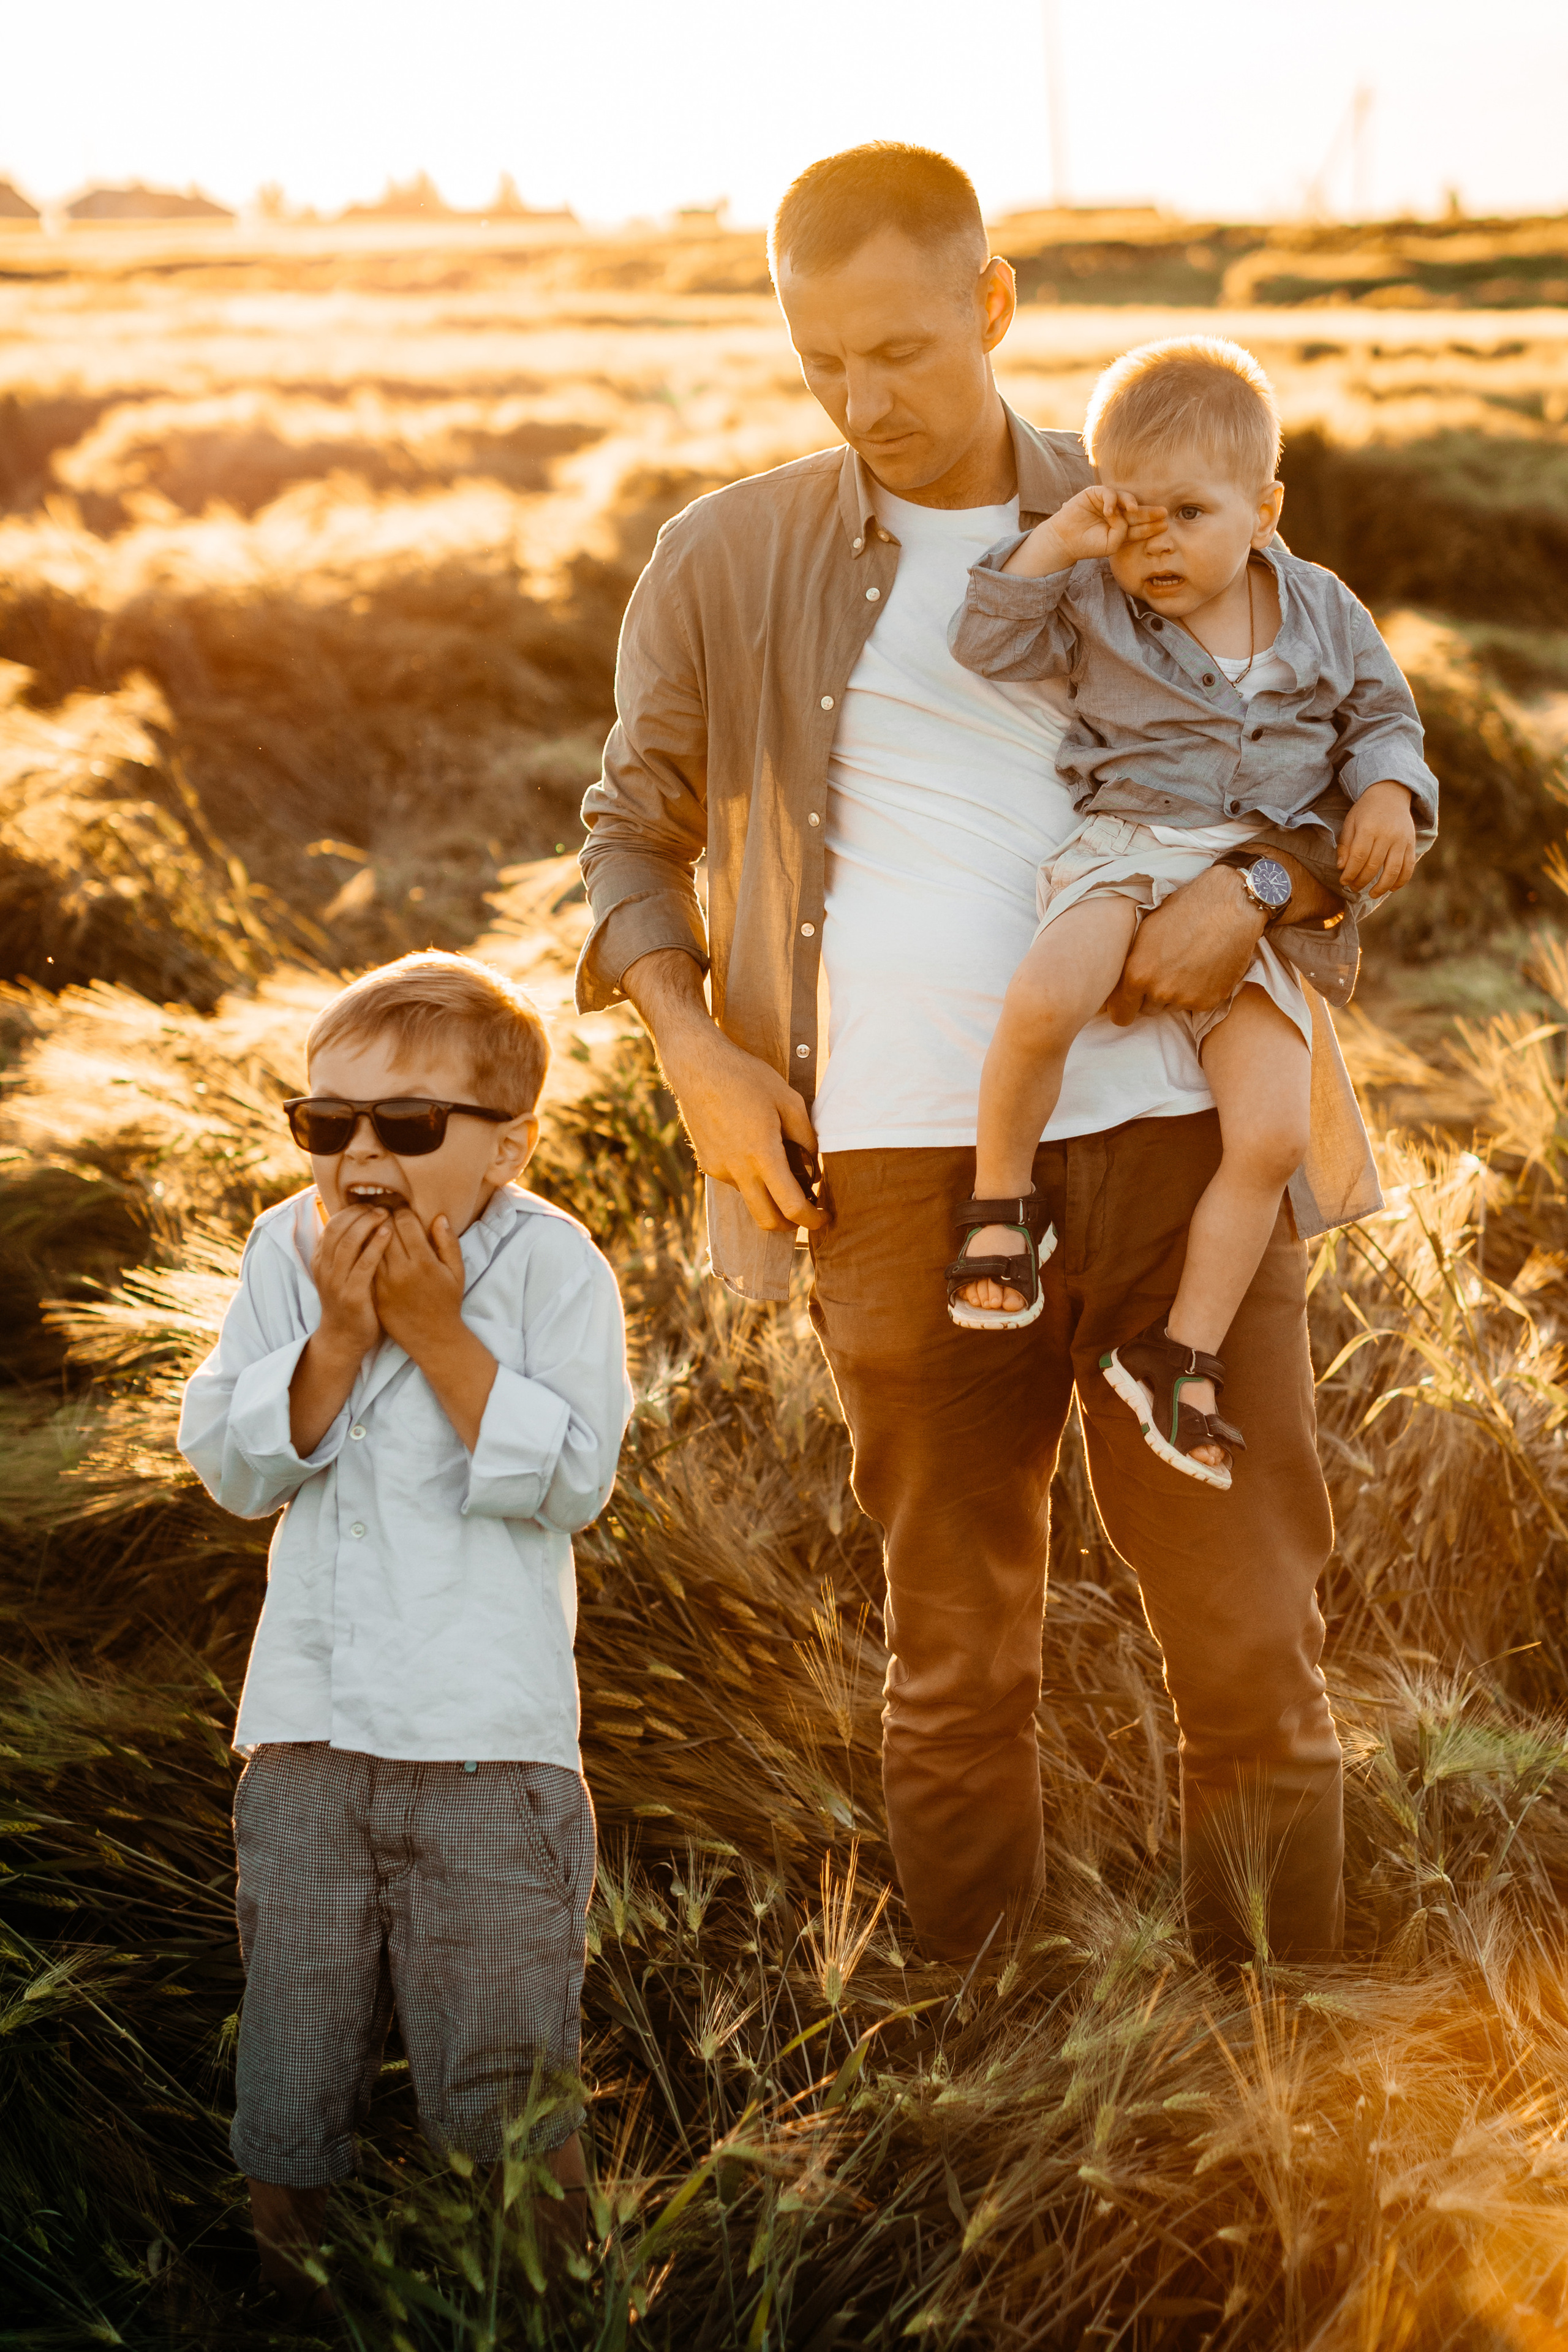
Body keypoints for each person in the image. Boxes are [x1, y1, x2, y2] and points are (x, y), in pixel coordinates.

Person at [575, 143, 1433, 1969]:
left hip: (1181, 1145)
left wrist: (1267, 880)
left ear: (994, 303)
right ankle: (994, 2060)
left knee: (1251, 1650)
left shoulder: (1159, 500)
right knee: (955, 1653)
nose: (866, 401)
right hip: (892, 1172)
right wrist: (697, 1060)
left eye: (903, 348)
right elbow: (625, 832)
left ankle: (1279, 2059)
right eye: (824, 363)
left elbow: (1337, 734)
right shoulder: (724, 558)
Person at [178, 951, 631, 2317]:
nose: (356, 1153)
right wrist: (332, 1338)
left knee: (503, 2091)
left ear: (506, 1147)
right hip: (307, 1735)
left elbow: (573, 1482)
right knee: (291, 2077)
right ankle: (294, 2298)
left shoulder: (555, 1266)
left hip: (487, 1751)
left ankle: (551, 2313)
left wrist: (435, 1334)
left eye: (407, 1126)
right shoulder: (282, 1252)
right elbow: (230, 1463)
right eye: (327, 1123)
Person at [946, 336, 1435, 1490]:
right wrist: (1059, 539)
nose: (1155, 540)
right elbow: (987, 639)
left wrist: (1383, 788)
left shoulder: (1322, 611)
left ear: (1264, 509)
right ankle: (999, 1201)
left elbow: (1385, 715)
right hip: (1125, 845)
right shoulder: (1093, 595)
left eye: (1189, 512)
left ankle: (1181, 1354)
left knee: (1270, 1134)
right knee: (1049, 995)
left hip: (1258, 899)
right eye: (1130, 513)